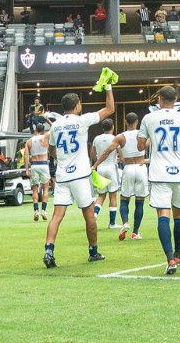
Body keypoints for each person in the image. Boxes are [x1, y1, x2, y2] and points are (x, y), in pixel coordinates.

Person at [42, 84, 115, 268]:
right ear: (77, 106)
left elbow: (51, 149)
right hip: (81, 176)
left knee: (56, 216)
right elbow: (110, 109)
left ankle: (49, 251)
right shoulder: (83, 120)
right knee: (89, 216)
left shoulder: (56, 126)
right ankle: (93, 252)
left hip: (62, 176)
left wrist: (59, 158)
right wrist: (108, 87)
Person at [138, 86, 180, 274]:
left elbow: (140, 146)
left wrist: (150, 138)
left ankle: (169, 259)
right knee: (179, 214)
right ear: (175, 100)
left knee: (163, 214)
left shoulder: (149, 118)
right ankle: (178, 254)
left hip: (159, 173)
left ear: (159, 100)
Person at [90, 112, 149, 241]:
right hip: (141, 167)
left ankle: (125, 222)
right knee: (139, 201)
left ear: (125, 122)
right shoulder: (142, 134)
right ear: (137, 121)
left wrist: (95, 165)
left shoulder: (120, 137)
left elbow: (107, 151)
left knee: (124, 199)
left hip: (128, 168)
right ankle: (135, 232)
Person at [89, 121, 121, 229]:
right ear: (113, 127)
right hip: (111, 167)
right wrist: (119, 159)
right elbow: (120, 154)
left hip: (100, 168)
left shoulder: (96, 138)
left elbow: (92, 153)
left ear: (102, 128)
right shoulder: (115, 138)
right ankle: (112, 223)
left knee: (101, 195)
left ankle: (95, 213)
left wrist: (96, 163)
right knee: (113, 196)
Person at [26, 124, 51, 220]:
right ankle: (43, 210)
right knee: (45, 189)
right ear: (43, 131)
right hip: (44, 164)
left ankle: (36, 210)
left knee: (35, 189)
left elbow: (26, 156)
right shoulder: (45, 137)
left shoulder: (29, 141)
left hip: (34, 165)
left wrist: (27, 169)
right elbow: (54, 128)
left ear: (35, 130)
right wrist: (48, 120)